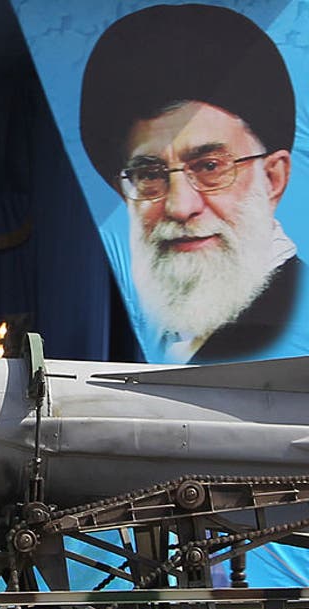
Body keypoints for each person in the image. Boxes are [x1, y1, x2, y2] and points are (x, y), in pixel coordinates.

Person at [80, 4, 300, 363]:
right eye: (150, 175)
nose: (180, 206)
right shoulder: (153, 326)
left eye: (209, 166)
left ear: (273, 178)